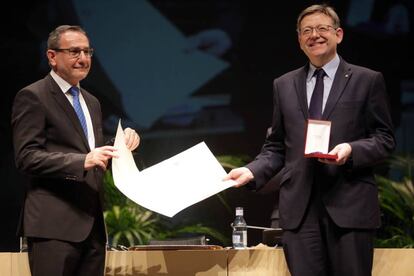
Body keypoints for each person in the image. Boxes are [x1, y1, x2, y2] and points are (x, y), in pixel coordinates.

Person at [224, 4, 395, 276]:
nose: (314, 35)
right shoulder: (284, 84)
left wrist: (352, 149)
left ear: (338, 34)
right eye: (307, 31)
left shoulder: (367, 80)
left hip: (348, 207)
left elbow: (384, 139)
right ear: (299, 40)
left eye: (322, 28)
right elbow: (277, 146)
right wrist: (251, 170)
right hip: (300, 213)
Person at [11, 25, 140, 276]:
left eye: (87, 51)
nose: (83, 59)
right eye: (74, 52)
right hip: (53, 227)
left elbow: (91, 149)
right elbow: (26, 157)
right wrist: (82, 161)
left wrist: (122, 144)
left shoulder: (91, 101)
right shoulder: (33, 96)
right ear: (51, 56)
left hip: (92, 227)